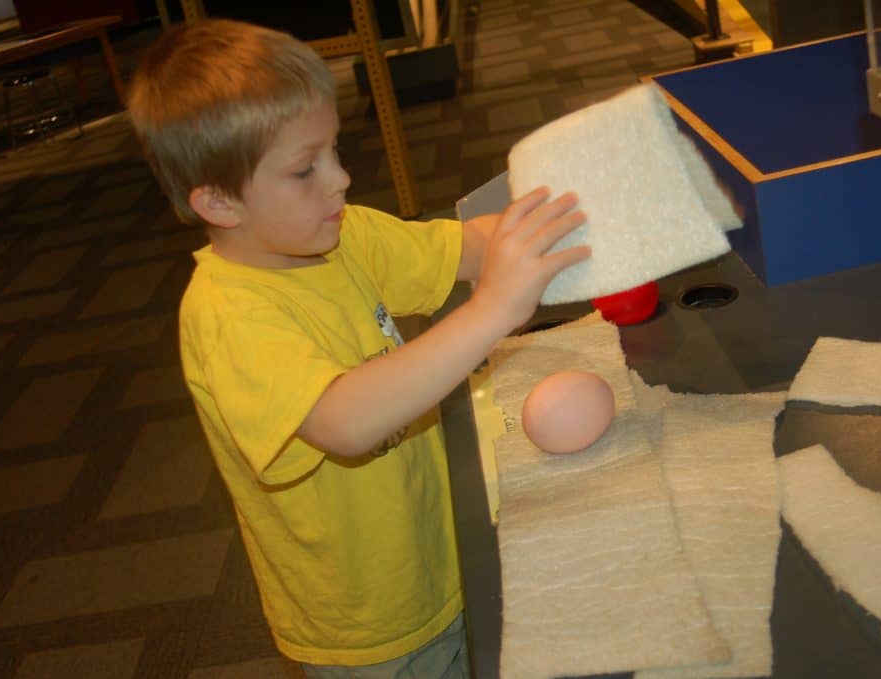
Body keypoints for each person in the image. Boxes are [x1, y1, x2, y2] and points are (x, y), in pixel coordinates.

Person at [127, 18, 589, 678]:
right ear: (220, 202)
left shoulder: (336, 234)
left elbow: (469, 246)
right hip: (370, 629)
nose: (341, 179)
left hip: (435, 561)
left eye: (335, 150)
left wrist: (572, 220)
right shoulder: (230, 316)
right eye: (305, 168)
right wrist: (493, 310)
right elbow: (343, 420)